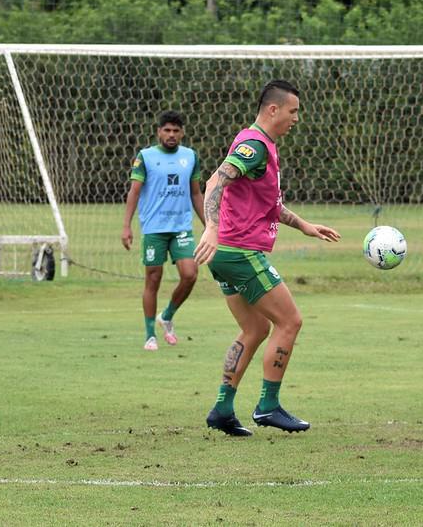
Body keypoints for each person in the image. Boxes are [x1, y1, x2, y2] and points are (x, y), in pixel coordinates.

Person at [194, 80, 341, 437]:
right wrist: (212, 226)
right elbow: (215, 183)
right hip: (240, 251)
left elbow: (268, 205)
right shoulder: (254, 145)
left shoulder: (261, 145)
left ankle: (222, 409)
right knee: (290, 321)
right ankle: (268, 406)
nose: (296, 119)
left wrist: (303, 224)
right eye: (293, 111)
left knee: (255, 328)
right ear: (272, 109)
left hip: (227, 254)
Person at [122, 110, 204, 351]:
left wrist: (209, 224)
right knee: (153, 279)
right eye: (166, 130)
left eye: (176, 131)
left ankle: (166, 316)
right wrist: (127, 226)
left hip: (181, 227)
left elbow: (196, 193)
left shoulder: (190, 156)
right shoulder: (145, 157)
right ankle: (150, 335)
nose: (171, 135)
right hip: (154, 228)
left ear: (182, 133)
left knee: (190, 274)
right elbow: (134, 192)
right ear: (158, 132)